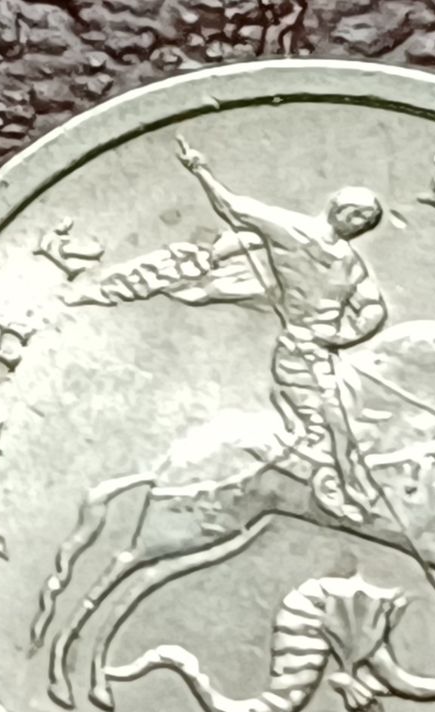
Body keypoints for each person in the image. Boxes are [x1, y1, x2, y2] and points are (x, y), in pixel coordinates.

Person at [66, 137, 389, 522]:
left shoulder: (350, 262)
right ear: (337, 206)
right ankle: (334, 490)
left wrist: (344, 336)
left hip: (325, 352)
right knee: (326, 421)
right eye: (358, 214)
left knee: (347, 417)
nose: (361, 223)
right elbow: (234, 208)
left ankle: (353, 482)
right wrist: (201, 170)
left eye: (368, 221)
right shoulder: (292, 231)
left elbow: (373, 306)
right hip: (299, 351)